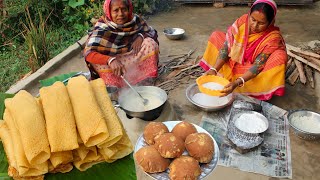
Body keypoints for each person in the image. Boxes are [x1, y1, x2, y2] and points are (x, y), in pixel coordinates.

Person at [200, 0, 287, 100]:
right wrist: (214, 69)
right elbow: (227, 46)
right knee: (216, 36)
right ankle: (219, 74)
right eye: (253, 19)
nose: (254, 26)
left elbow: (258, 66)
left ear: (270, 22)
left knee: (280, 56)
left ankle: (251, 89)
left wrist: (237, 82)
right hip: (235, 59)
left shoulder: (273, 38)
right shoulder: (242, 22)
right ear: (249, 14)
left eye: (261, 23)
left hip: (251, 71)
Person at [83, 0, 159, 88]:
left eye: (124, 9)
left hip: (131, 58)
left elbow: (151, 32)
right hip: (113, 65)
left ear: (129, 9)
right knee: (99, 63)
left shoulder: (135, 20)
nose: (121, 14)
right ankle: (116, 87)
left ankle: (145, 79)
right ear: (109, 12)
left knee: (150, 43)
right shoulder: (102, 28)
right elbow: (88, 54)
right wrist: (109, 60)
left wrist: (141, 36)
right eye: (116, 10)